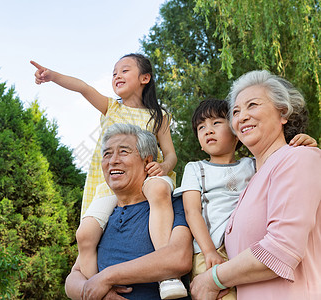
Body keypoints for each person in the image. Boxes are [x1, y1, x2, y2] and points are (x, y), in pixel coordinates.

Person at [32, 54, 186, 298]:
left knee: (157, 190)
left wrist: (163, 168)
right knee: (85, 234)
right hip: (109, 187)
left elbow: (170, 155)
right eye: (114, 72)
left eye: (125, 70)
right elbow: (83, 88)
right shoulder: (111, 107)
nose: (117, 75)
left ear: (145, 78)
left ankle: (167, 276)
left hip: (147, 180)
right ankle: (98, 285)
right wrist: (52, 76)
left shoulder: (159, 116)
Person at [189, 70, 321, 300]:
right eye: (236, 112)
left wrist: (212, 279)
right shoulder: (250, 179)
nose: (242, 116)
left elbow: (281, 249)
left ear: (283, 113)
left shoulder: (298, 158)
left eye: (253, 105)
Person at [65, 123, 192, 300]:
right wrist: (95, 291)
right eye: (107, 154)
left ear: (147, 161)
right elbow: (74, 276)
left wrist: (106, 277)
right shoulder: (101, 217)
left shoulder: (175, 203)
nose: (113, 160)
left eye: (123, 152)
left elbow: (179, 258)